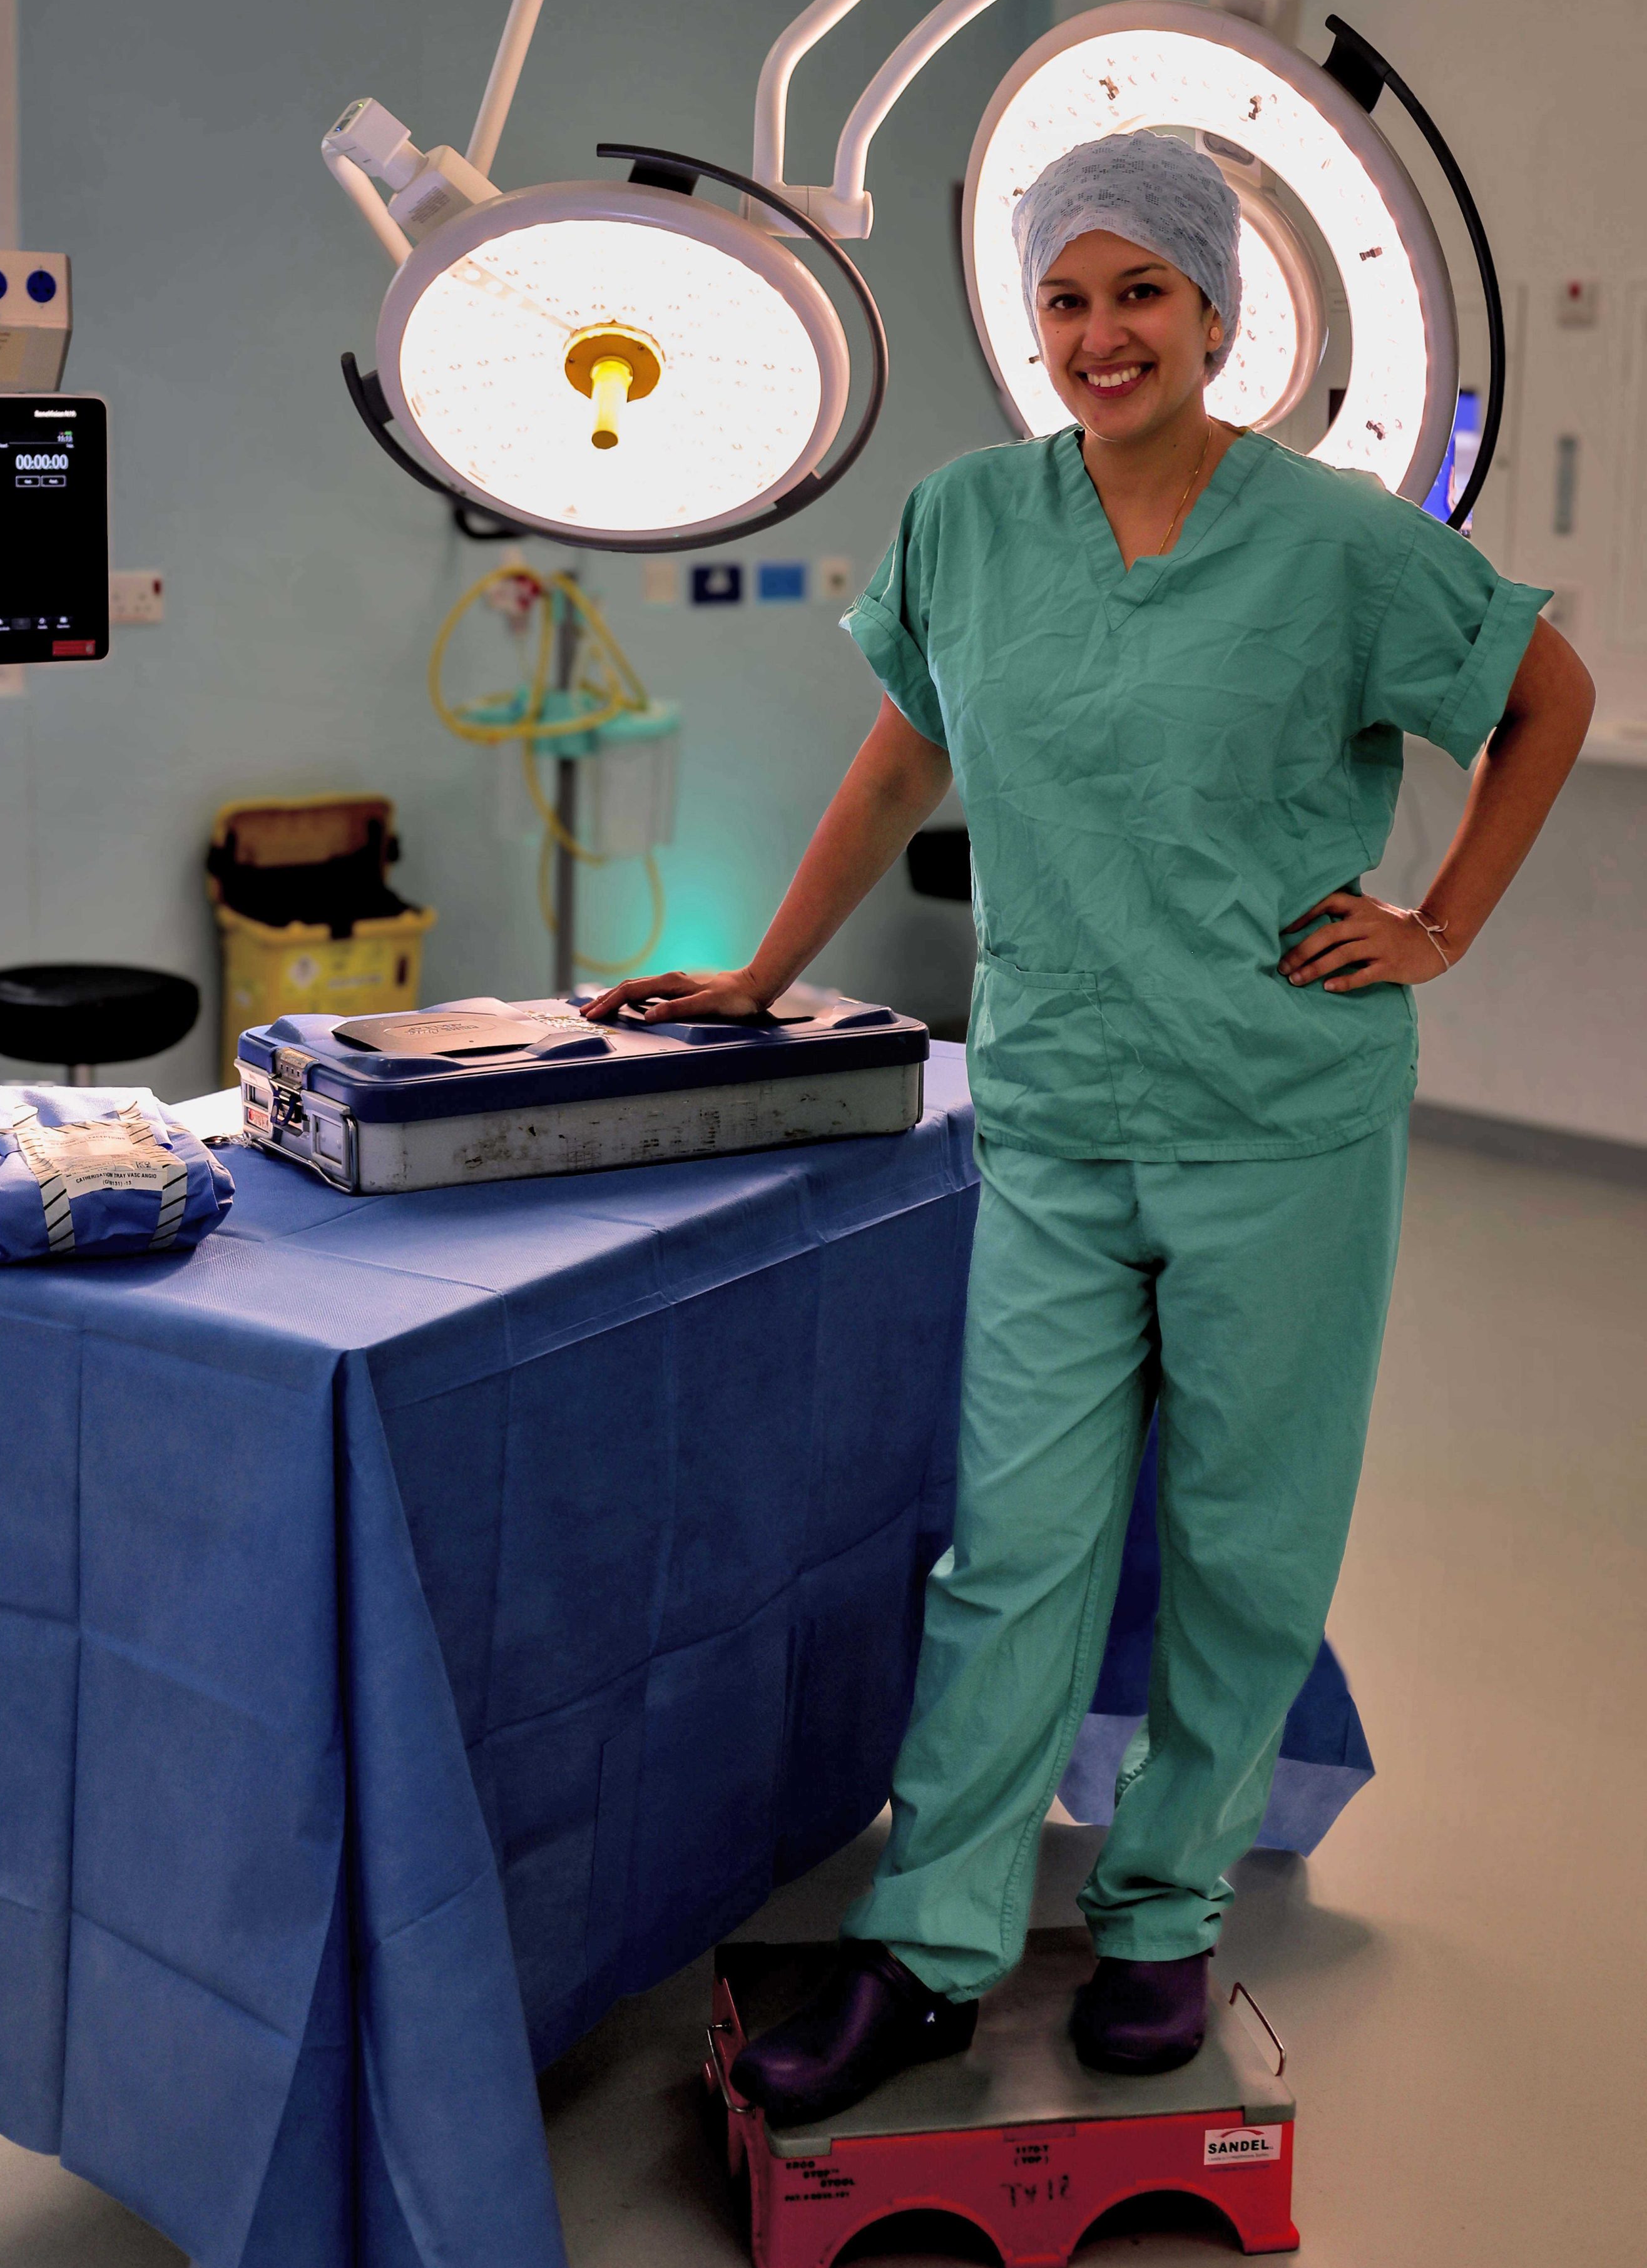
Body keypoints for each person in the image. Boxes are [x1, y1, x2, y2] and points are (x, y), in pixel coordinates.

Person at [585, 129, 1593, 2123]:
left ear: (1222, 316)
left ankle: (1161, 1911)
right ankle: (935, 1944)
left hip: (1279, 1113)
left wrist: (1444, 923)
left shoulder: (1337, 542)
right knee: (1016, 1548)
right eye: (1068, 297)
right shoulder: (968, 523)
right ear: (1029, 323)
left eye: (1145, 292)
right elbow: (894, 769)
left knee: (1243, 1538)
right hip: (1054, 1113)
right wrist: (762, 972)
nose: (1103, 332)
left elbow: (1544, 693)